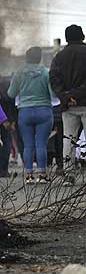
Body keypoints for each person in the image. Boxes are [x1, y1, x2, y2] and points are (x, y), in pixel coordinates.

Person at [8, 47, 55, 184]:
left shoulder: (19, 73)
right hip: (44, 110)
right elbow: (53, 94)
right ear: (39, 58)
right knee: (41, 144)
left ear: (26, 58)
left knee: (28, 145)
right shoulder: (46, 73)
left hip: (25, 112)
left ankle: (28, 175)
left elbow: (11, 93)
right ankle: (42, 175)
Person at [50, 24, 86, 170]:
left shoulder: (59, 57)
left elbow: (53, 79)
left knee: (68, 139)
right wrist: (76, 94)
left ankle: (69, 173)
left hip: (68, 106)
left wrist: (66, 96)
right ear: (82, 36)